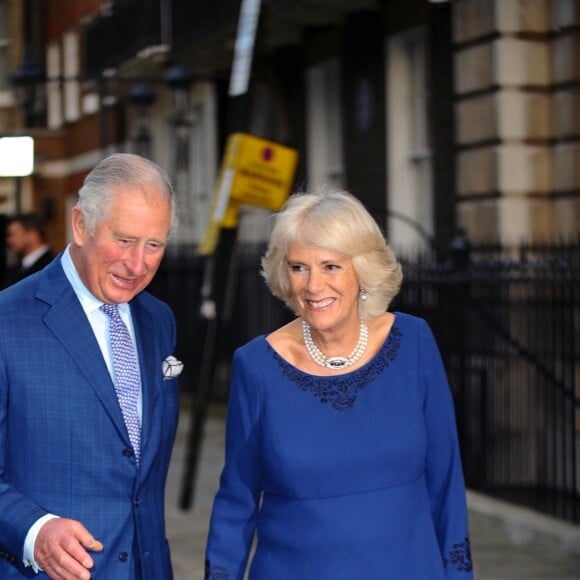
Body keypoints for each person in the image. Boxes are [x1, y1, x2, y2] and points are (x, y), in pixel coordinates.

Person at [205, 188, 473, 579]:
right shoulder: (256, 366)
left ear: (362, 270)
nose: (314, 286)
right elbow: (237, 501)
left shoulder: (414, 343)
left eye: (331, 266)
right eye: (299, 267)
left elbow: (446, 483)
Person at [0, 153, 182, 579]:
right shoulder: (6, 322)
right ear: (80, 225)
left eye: (153, 245)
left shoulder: (159, 320)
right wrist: (34, 530)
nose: (138, 265)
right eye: (124, 240)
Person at [3, 212, 54, 288]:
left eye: (13, 235)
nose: (9, 240)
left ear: (32, 234)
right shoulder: (16, 268)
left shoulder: (51, 267)